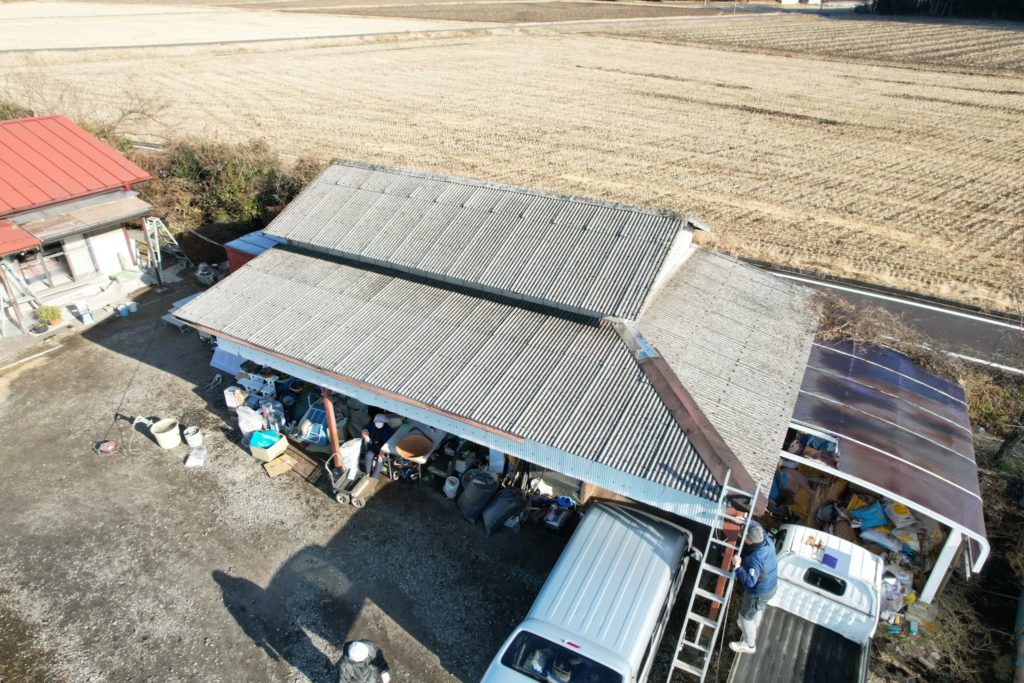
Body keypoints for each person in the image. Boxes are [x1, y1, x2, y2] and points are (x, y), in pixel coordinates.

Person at [729, 522, 777, 655]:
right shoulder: (766, 540)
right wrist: (745, 519)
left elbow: (750, 581)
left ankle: (749, 645)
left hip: (759, 592)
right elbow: (758, 526)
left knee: (745, 617)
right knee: (757, 608)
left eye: (744, 536)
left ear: (749, 540)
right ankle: (752, 623)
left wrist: (737, 566)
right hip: (771, 587)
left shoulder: (756, 558)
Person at [361, 414, 394, 479]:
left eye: (380, 421)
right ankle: (367, 474)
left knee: (380, 460)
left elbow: (388, 443)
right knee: (368, 455)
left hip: (384, 448)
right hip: (374, 445)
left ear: (384, 422)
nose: (378, 422)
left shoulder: (387, 430)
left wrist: (382, 454)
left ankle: (373, 478)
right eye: (376, 421)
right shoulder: (372, 425)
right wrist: (365, 433)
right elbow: (365, 428)